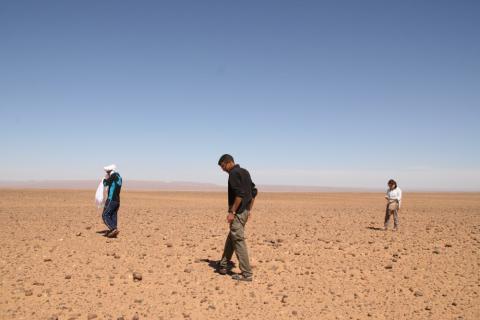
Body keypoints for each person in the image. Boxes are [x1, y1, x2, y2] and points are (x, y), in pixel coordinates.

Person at [217, 154, 258, 281]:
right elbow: (254, 192)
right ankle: (223, 265)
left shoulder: (233, 174)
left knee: (238, 240)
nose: (223, 169)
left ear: (229, 162)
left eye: (223, 166)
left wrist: (232, 212)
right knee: (232, 237)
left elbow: (239, 194)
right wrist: (249, 209)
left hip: (238, 212)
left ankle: (247, 274)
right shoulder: (245, 172)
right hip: (244, 211)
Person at [102, 164, 122, 238]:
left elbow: (105, 183)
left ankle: (113, 229)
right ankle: (114, 230)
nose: (107, 174)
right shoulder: (119, 177)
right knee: (113, 215)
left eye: (107, 172)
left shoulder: (113, 177)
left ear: (109, 171)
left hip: (111, 199)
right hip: (117, 200)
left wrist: (105, 179)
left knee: (105, 215)